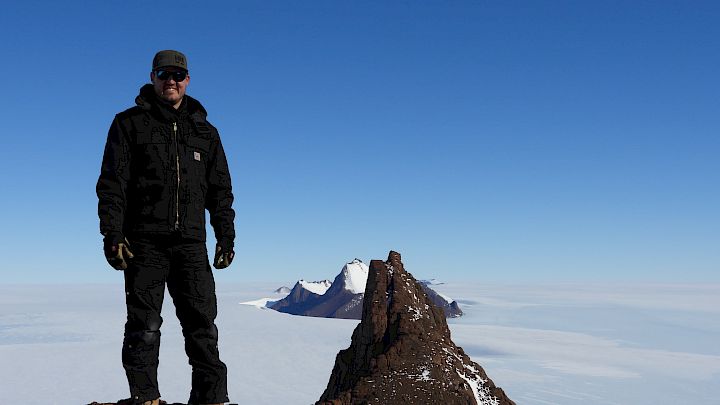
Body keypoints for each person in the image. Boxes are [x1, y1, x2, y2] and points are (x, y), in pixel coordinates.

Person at [96, 50, 235, 405]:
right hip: (144, 244)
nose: (170, 80)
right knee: (143, 327)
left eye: (177, 74)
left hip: (191, 244)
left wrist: (225, 236)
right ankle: (146, 398)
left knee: (203, 327)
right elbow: (113, 184)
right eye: (163, 73)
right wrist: (113, 235)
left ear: (188, 80)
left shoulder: (205, 131)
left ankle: (210, 400)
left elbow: (220, 191)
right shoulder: (128, 124)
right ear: (152, 76)